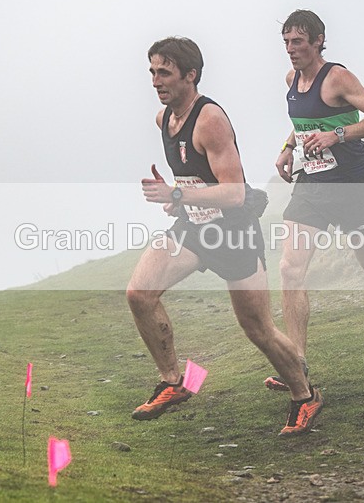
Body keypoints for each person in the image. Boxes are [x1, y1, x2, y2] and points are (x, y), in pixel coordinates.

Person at [126, 36, 323, 435]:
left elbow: (233, 194)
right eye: (152, 72)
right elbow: (197, 179)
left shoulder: (210, 119)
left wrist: (177, 194)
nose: (156, 81)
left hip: (233, 233)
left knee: (258, 329)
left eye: (165, 73)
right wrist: (180, 201)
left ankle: (305, 396)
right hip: (193, 227)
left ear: (190, 75)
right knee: (139, 294)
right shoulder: (164, 119)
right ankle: (172, 382)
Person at [265, 10, 364, 391]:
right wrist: (288, 147)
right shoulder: (292, 80)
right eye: (286, 42)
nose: (290, 49)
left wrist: (337, 134)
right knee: (290, 268)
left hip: (352, 183)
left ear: (318, 41)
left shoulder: (337, 78)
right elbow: (304, 122)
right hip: (312, 184)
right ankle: (297, 364)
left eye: (298, 41)